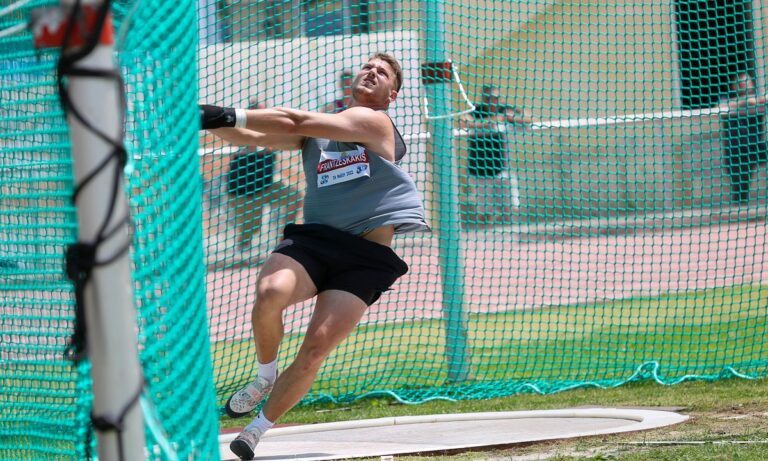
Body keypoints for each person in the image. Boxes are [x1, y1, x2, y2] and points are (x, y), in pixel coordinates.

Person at [200, 53, 429, 460]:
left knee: (315, 349)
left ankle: (256, 430)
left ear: (391, 95)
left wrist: (227, 112)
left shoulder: (374, 123)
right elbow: (254, 138)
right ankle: (264, 376)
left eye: (382, 73)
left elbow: (297, 121)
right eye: (367, 67)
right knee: (270, 292)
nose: (370, 73)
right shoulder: (320, 133)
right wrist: (205, 121)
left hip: (365, 258)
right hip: (317, 243)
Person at [227, 99, 302, 251]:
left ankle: (285, 237)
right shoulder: (240, 130)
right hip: (244, 192)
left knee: (294, 197)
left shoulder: (271, 129)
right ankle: (240, 255)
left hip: (267, 186)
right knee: (251, 230)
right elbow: (250, 142)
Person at [459, 84, 534, 227]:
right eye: (488, 98)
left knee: (510, 209)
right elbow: (464, 121)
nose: (492, 101)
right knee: (484, 214)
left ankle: (510, 240)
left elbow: (528, 118)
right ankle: (484, 242)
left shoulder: (504, 110)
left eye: (495, 98)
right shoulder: (476, 110)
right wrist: (489, 122)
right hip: (479, 172)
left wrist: (512, 118)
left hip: (501, 170)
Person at [719, 73, 767, 204]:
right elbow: (720, 107)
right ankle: (739, 215)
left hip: (756, 147)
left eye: (746, 81)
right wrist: (744, 102)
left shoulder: (758, 100)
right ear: (734, 86)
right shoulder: (727, 100)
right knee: (741, 191)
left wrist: (760, 100)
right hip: (736, 152)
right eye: (740, 82)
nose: (744, 84)